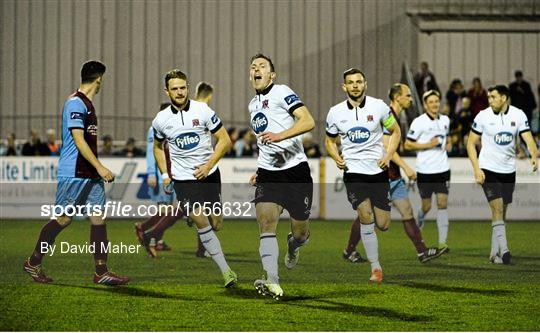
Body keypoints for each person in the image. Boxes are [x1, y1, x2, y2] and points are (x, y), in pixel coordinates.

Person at [23, 61, 129, 285]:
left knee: (99, 218)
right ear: (99, 79)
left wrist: (96, 169)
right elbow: (79, 140)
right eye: (103, 80)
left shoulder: (87, 104)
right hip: (74, 172)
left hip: (89, 173)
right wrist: (100, 166)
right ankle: (33, 262)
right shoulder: (75, 103)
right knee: (63, 219)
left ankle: (101, 271)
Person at [152, 69, 237, 287]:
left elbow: (225, 140)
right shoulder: (161, 120)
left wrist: (208, 165)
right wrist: (164, 174)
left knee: (216, 223)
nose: (179, 92)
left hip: (209, 175)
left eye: (182, 87)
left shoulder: (203, 110)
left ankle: (202, 224)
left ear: (188, 87)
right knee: (201, 221)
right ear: (167, 91)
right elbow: (157, 148)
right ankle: (226, 272)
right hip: (183, 179)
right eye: (174, 89)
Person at [341, 84, 443, 264]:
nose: (411, 99)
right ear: (397, 97)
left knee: (406, 211)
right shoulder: (386, 114)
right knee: (369, 216)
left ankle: (422, 252)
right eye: (408, 95)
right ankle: (349, 251)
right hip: (381, 176)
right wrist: (406, 167)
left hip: (394, 177)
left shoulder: (397, 116)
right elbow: (386, 147)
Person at [248, 53, 315, 298]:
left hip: (296, 173)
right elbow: (263, 142)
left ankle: (293, 246)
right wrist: (259, 170)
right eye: (253, 66)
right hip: (269, 174)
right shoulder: (252, 105)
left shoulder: (282, 91)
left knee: (300, 233)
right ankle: (272, 280)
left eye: (262, 66)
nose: (256, 69)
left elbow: (308, 121)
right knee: (266, 224)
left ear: (272, 75)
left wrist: (281, 135)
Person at [326, 68, 401, 283]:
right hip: (354, 173)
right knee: (365, 216)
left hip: (378, 172)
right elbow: (329, 142)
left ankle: (369, 255)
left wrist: (389, 155)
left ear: (365, 84)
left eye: (359, 81)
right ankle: (375, 268)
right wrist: (335, 157)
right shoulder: (335, 112)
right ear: (344, 87)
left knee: (384, 224)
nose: (355, 85)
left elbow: (395, 131)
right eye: (351, 82)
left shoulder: (379, 107)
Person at [466, 85, 537, 264]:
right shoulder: (482, 116)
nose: (490, 101)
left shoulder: (518, 114)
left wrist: (533, 155)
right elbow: (470, 143)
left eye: (493, 97)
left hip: (508, 170)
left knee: (502, 213)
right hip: (488, 168)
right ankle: (505, 251)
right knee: (497, 208)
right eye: (489, 98)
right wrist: (476, 168)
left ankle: (493, 253)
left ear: (504, 98)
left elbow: (528, 138)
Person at [404, 90, 451, 253]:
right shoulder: (418, 122)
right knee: (427, 206)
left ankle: (442, 242)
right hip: (425, 170)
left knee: (442, 204)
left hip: (443, 169)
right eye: (431, 102)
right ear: (425, 105)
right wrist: (428, 145)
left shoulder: (445, 120)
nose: (434, 104)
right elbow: (407, 145)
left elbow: (446, 138)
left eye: (436, 101)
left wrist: (448, 144)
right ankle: (421, 218)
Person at [135, 103, 178, 258]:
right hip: (161, 176)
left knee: (170, 210)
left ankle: (154, 236)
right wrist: (151, 173)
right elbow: (151, 152)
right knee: (166, 210)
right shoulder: (154, 129)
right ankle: (149, 234)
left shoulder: (172, 127)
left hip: (173, 175)